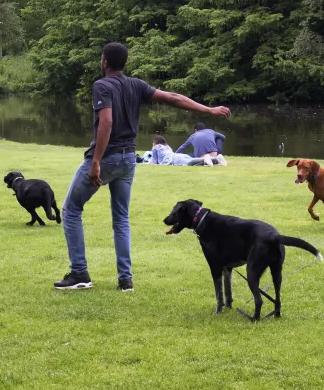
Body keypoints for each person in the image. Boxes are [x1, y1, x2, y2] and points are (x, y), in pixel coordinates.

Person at [54, 42, 231, 292]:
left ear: (105, 62)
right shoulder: (136, 85)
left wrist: (95, 162)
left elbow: (106, 122)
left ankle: (79, 273)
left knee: (71, 209)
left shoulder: (101, 85)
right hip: (128, 159)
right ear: (124, 63)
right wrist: (208, 110)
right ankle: (125, 279)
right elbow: (173, 98)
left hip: (107, 158)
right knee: (121, 218)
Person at [150, 136, 226, 166]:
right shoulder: (167, 147)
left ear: (155, 142)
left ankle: (205, 159)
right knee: (193, 162)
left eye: (153, 142)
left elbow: (154, 161)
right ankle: (216, 160)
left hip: (175, 159)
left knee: (190, 163)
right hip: (179, 155)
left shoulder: (156, 147)